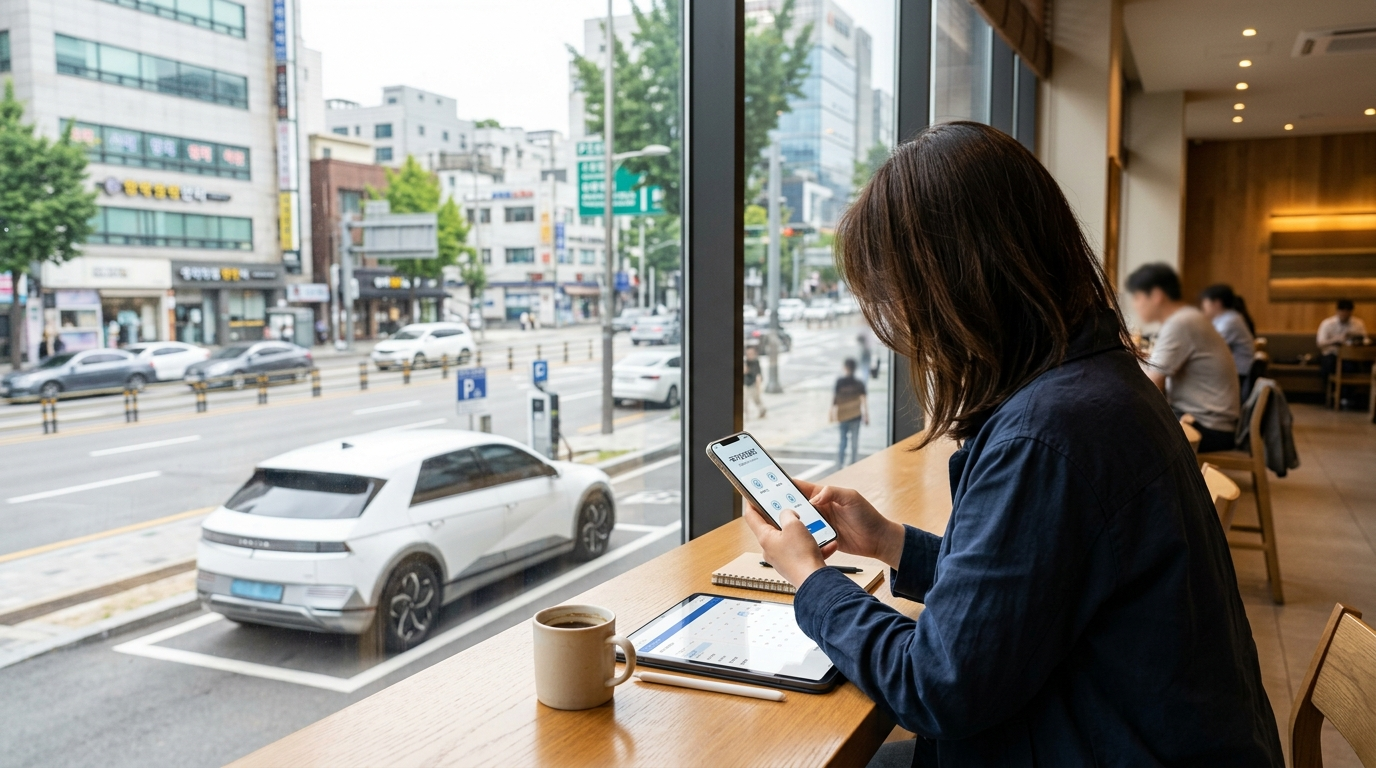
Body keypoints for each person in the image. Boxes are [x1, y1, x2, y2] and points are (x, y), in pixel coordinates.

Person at [743, 122, 1280, 767]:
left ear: (955, 284)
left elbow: (935, 685)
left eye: (897, 294)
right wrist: (888, 541)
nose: (902, 324)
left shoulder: (1048, 434)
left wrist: (808, 577)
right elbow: (1027, 587)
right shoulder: (1098, 385)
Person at [1128, 263, 1240, 452]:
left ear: (1156, 296)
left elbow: (1152, 385)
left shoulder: (1181, 323)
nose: (1134, 304)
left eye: (1137, 297)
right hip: (1211, 420)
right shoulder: (1188, 318)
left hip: (1207, 427)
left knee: (1121, 430)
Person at [1199, 283, 1256, 383]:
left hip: (1238, 375)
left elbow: (1208, 346)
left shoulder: (1230, 321)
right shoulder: (1225, 319)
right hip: (1234, 373)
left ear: (1217, 303)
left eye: (1205, 303)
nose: (1203, 307)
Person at [1317, 299, 1370, 404]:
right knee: (1328, 365)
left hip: (1351, 355)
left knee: (1352, 367)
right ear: (1338, 311)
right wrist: (1336, 340)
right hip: (1331, 353)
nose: (1345, 314)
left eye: (1347, 312)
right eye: (1343, 311)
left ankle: (1347, 397)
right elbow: (1320, 343)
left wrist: (1355, 340)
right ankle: (1330, 396)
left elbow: (1366, 340)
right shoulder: (1328, 324)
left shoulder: (1357, 324)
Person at [831, 358, 868, 466]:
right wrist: (866, 415)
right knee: (854, 442)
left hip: (842, 415)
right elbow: (864, 400)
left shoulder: (840, 382)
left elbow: (835, 399)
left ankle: (840, 463)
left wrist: (832, 413)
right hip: (856, 415)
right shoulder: (859, 383)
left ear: (845, 368)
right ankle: (853, 463)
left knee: (843, 441)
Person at [743, 345, 765, 419]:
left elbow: (757, 374)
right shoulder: (746, 361)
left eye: (751, 353)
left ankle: (762, 410)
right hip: (746, 384)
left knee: (756, 399)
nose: (749, 355)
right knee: (745, 401)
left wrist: (758, 384)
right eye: (748, 354)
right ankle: (746, 416)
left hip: (754, 384)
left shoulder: (755, 362)